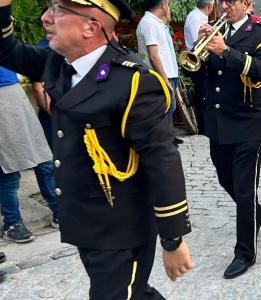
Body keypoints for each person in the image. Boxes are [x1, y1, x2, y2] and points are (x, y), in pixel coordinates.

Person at [0, 0, 195, 298]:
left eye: (58, 11)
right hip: (86, 221)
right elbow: (5, 49)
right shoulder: (57, 63)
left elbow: (163, 161)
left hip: (120, 228)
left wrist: (172, 239)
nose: (45, 18)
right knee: (135, 292)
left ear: (91, 27)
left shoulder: (133, 81)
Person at [185, 0, 261, 279]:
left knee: (245, 188)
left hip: (246, 122)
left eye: (230, 1)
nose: (223, 6)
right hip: (217, 122)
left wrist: (226, 51)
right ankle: (256, 213)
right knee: (226, 178)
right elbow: (199, 74)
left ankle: (245, 252)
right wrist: (195, 53)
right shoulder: (213, 29)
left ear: (247, 4)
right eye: (220, 1)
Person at [0, 66, 59, 242]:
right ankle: (12, 223)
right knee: (9, 168)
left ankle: (60, 211)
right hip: (4, 101)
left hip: (15, 92)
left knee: (43, 160)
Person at [136, 0, 183, 147]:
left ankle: (166, 138)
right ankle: (162, 141)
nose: (169, 7)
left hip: (168, 73)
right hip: (161, 75)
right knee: (166, 108)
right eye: (168, 4)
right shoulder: (150, 23)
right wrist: (164, 78)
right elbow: (153, 55)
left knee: (169, 107)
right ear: (163, 5)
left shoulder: (156, 22)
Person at [184, 0, 215, 134]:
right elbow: (196, 42)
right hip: (196, 60)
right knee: (202, 93)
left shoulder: (200, 17)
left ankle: (206, 122)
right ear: (210, 6)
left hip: (201, 59)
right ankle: (203, 126)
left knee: (205, 92)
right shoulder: (195, 18)